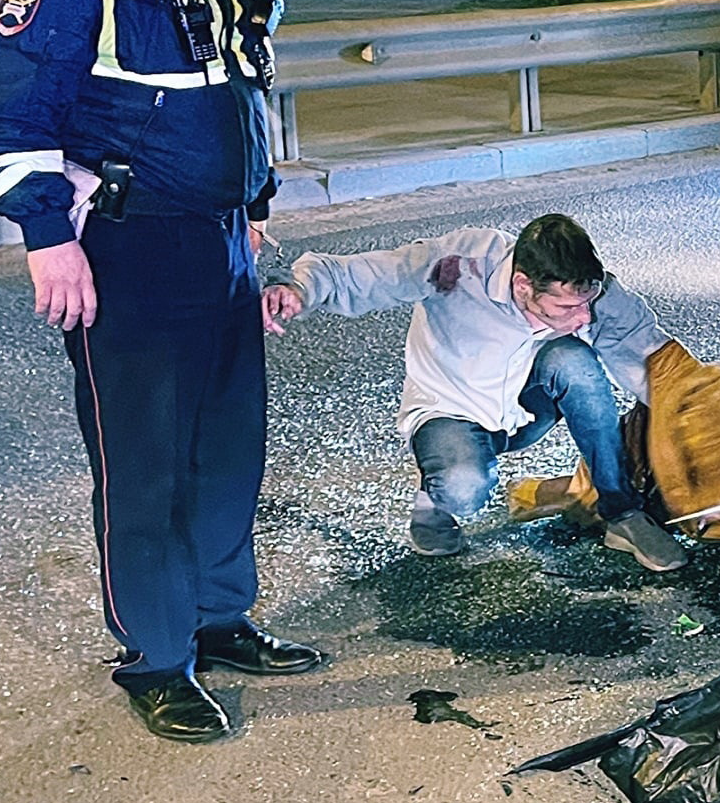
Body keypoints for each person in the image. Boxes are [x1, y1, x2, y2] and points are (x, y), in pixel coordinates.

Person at [0, 0, 328, 746]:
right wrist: (46, 237)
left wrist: (255, 208)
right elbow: (0, 117)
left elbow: (238, 91)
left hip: (219, 243)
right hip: (127, 251)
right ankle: (158, 656)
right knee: (146, 464)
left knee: (227, 449)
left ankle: (220, 617)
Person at [261, 213, 690, 573]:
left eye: (586, 304)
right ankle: (434, 495)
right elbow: (357, 273)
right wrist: (297, 288)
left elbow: (649, 354)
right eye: (564, 308)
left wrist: (690, 411)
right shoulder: (458, 261)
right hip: (451, 410)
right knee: (465, 489)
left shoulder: (590, 293)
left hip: (522, 409)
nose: (581, 318)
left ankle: (622, 512)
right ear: (523, 285)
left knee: (576, 360)